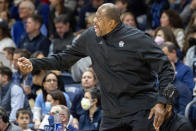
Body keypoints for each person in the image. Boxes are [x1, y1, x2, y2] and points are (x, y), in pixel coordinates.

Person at [18, 3, 176, 131]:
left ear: (112, 23)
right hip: (111, 112)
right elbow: (64, 59)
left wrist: (162, 101)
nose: (94, 22)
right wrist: (34, 63)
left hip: (141, 109)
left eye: (99, 19)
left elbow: (165, 68)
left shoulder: (138, 39)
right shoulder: (91, 36)